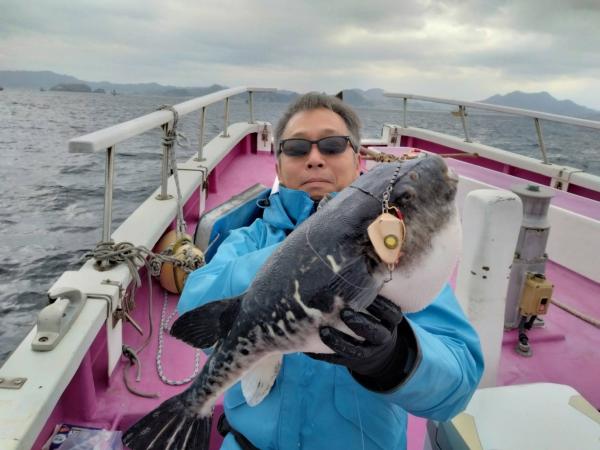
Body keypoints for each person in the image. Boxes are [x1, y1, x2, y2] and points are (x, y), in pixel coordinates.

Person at [178, 92, 484, 450]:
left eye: (333, 145)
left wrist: (396, 358)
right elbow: (194, 307)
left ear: (357, 160)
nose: (314, 159)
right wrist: (304, 255)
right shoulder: (249, 240)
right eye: (296, 148)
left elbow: (458, 387)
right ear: (278, 167)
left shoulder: (395, 254)